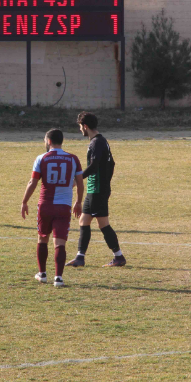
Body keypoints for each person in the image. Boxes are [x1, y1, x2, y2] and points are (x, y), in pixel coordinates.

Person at [21, 129, 83, 288]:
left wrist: (24, 201)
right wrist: (78, 202)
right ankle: (58, 278)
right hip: (64, 206)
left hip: (45, 205)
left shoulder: (41, 158)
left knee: (42, 238)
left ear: (48, 141)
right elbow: (80, 183)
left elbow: (33, 183)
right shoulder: (73, 159)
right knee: (60, 242)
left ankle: (42, 274)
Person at [67, 111, 126, 267]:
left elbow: (93, 166)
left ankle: (118, 257)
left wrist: (76, 180)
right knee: (85, 221)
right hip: (97, 188)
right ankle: (81, 257)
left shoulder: (96, 143)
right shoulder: (101, 141)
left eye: (80, 127)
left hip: (97, 189)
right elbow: (111, 164)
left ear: (85, 126)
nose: (80, 130)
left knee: (101, 224)